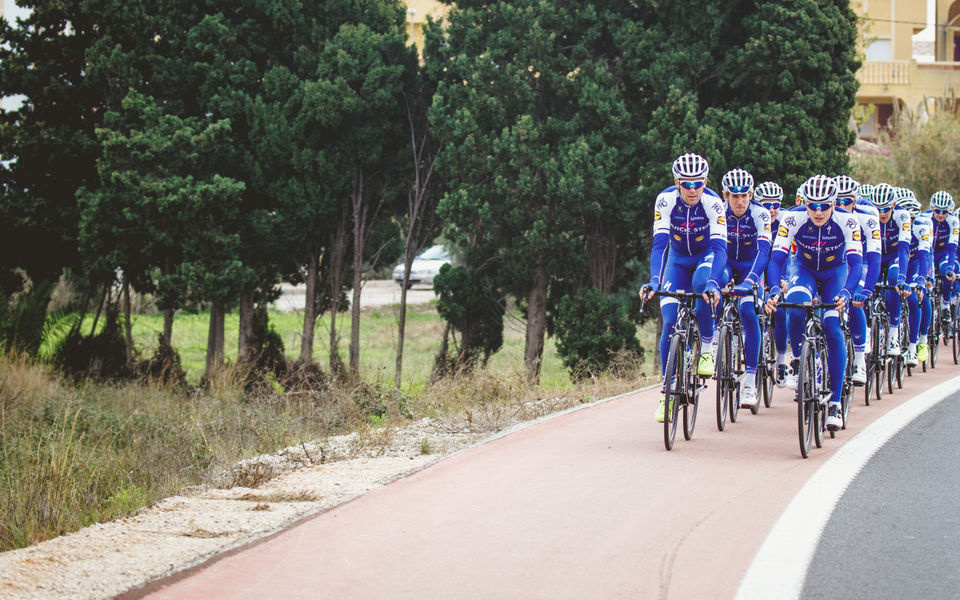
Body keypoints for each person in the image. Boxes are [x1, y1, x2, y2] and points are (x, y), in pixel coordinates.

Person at [764, 175, 863, 431]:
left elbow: (855, 263)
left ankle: (836, 403)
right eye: (812, 206)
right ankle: (799, 361)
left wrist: (848, 293)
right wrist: (774, 289)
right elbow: (776, 260)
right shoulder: (792, 218)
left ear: (834, 203)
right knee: (795, 309)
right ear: (804, 203)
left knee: (832, 328)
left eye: (824, 206)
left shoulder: (848, 221)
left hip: (835, 273)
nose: (818, 212)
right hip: (804, 269)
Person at [641, 153, 727, 422]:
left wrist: (714, 282)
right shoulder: (665, 200)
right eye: (686, 184)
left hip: (705, 257)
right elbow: (659, 246)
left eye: (698, 183)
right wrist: (654, 280)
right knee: (669, 322)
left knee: (702, 285)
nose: (692, 190)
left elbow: (720, 249)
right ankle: (667, 394)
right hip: (677, 260)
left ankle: (707, 348)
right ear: (676, 182)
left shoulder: (714, 203)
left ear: (705, 182)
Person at [719, 169, 772, 408]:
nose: (740, 201)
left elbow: (764, 252)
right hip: (727, 264)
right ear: (726, 196)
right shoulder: (719, 212)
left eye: (744, 196)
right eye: (734, 196)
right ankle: (715, 339)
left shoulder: (761, 214)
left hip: (752, 267)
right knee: (713, 291)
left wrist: (750, 280)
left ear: (751, 195)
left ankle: (750, 381)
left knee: (749, 312)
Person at [834, 175, 880, 385]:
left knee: (854, 300)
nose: (842, 206)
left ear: (855, 201)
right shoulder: (825, 216)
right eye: (838, 201)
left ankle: (859, 360)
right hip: (837, 264)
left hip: (861, 263)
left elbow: (874, 256)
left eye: (847, 201)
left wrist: (868, 289)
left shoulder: (867, 218)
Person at [872, 183, 912, 356]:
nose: (882, 213)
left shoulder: (902, 216)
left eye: (886, 209)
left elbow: (904, 248)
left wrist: (902, 278)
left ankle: (894, 332)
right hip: (877, 256)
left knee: (894, 279)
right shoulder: (869, 216)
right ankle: (871, 326)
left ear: (893, 205)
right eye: (878, 209)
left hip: (895, 256)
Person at [756, 181, 790, 382]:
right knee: (753, 303)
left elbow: (791, 254)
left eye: (775, 205)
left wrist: (785, 279)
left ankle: (782, 360)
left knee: (781, 311)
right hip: (758, 266)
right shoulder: (754, 218)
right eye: (766, 205)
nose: (771, 210)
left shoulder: (785, 220)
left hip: (779, 266)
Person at [896, 193, 933, 366]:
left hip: (917, 263)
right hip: (900, 263)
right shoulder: (894, 225)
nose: (908, 223)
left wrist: (922, 280)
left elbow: (925, 256)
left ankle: (918, 343)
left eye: (912, 219)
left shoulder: (922, 227)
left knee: (917, 297)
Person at [925, 190, 958, 327]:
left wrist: (950, 268)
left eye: (944, 212)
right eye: (937, 211)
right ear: (932, 208)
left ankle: (945, 305)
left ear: (949, 211)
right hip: (928, 252)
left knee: (946, 272)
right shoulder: (925, 218)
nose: (940, 214)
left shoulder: (953, 221)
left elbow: (952, 247)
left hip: (943, 253)